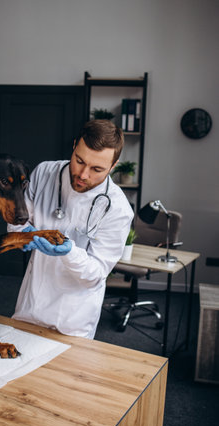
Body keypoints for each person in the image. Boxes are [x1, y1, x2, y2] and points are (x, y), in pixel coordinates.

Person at [7, 119, 134, 339]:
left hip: (74, 316)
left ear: (113, 167)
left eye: (97, 169)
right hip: (32, 302)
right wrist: (22, 234)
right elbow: (17, 220)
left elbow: (95, 274)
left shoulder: (118, 209)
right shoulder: (44, 172)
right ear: (74, 145)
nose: (84, 174)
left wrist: (69, 252)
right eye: (79, 160)